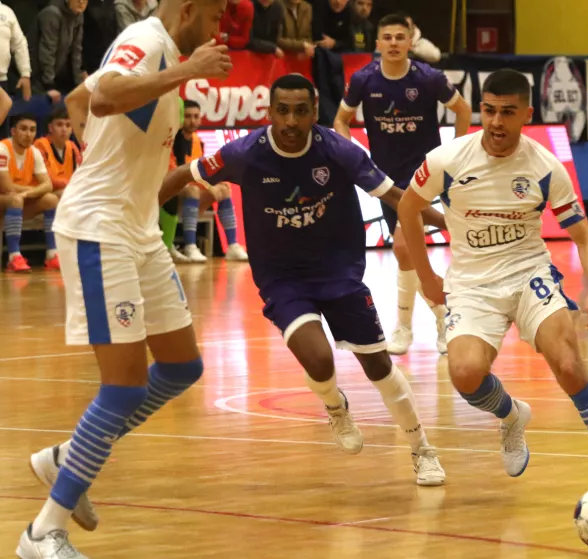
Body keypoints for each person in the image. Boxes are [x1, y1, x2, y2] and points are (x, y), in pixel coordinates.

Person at [16, 1, 232, 557]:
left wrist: (139, 170)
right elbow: (105, 95)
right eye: (216, 16)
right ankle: (42, 532)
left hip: (138, 230)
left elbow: (78, 99)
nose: (220, 29)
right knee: (124, 386)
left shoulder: (162, 52)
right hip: (99, 229)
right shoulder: (148, 40)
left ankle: (68, 457)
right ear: (190, 9)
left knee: (182, 366)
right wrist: (188, 70)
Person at [160, 74, 447, 484]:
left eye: (300, 111)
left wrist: (449, 222)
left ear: (314, 112)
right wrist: (140, 217)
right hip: (283, 279)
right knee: (317, 358)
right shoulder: (244, 153)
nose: (291, 121)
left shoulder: (339, 150)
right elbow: (184, 174)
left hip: (340, 273)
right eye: (282, 111)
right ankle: (335, 407)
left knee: (378, 365)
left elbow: (398, 197)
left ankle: (422, 448)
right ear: (269, 112)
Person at [397, 69, 588, 511]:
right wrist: (427, 278)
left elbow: (585, 240)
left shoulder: (544, 166)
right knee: (464, 373)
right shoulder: (448, 159)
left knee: (569, 365)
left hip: (528, 275)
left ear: (526, 114)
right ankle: (510, 414)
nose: (496, 122)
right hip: (472, 284)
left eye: (507, 112)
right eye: (488, 110)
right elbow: (408, 209)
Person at [334, 13, 472, 355]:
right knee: (406, 252)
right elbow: (340, 120)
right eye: (388, 37)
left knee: (401, 248)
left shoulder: (428, 77)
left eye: (400, 37)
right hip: (384, 178)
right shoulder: (364, 79)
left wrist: (455, 153)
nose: (394, 43)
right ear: (377, 43)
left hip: (423, 173)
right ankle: (442, 317)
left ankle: (406, 327)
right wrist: (352, 156)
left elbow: (463, 110)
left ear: (411, 42)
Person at [170, 99, 248, 262]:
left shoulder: (196, 140)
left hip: (190, 189)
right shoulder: (173, 139)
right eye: (188, 116)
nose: (192, 121)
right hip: (171, 192)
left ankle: (232, 245)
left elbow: (197, 170)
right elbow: (177, 173)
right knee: (192, 190)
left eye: (196, 116)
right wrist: (208, 186)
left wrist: (212, 185)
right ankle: (190, 246)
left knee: (224, 188)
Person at [1, 113, 59, 272]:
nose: (28, 134)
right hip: (4, 200)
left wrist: (26, 194)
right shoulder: (2, 149)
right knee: (15, 199)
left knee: (51, 199)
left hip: (17, 202)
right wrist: (31, 190)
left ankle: (52, 254)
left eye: (32, 130)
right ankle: (14, 257)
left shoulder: (34, 152)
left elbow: (48, 185)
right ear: (13, 131)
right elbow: (6, 187)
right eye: (23, 129)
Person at [35, 104, 83, 197]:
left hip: (69, 190)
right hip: (45, 193)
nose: (64, 129)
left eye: (68, 125)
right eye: (59, 125)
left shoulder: (72, 147)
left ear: (72, 129)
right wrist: (72, 185)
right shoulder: (40, 145)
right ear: (50, 128)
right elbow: (47, 180)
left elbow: (81, 173)